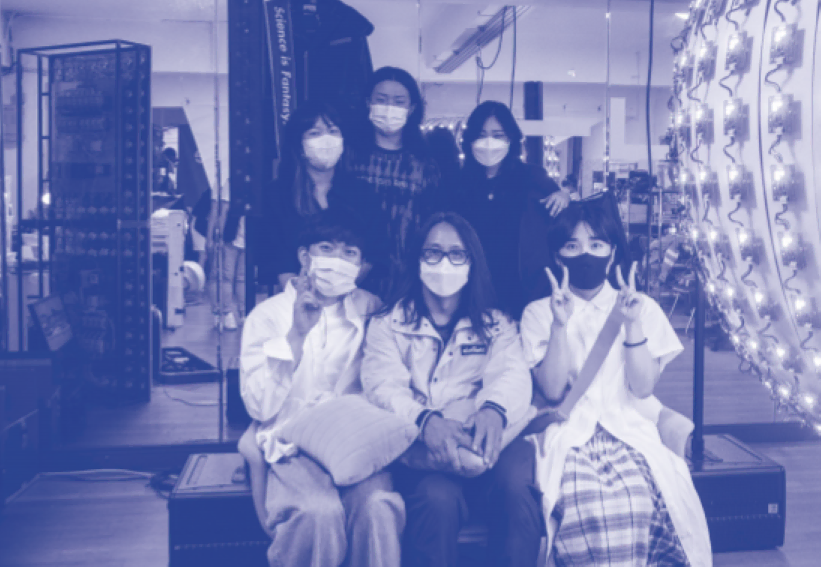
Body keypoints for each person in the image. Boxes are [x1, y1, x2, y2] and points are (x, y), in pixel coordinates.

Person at [519, 197, 711, 566]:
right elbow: (553, 390)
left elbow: (642, 388)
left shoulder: (642, 307)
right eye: (572, 246)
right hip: (568, 434)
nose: (585, 255)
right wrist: (559, 324)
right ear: (558, 257)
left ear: (610, 256)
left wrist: (632, 323)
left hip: (629, 430)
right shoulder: (538, 312)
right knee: (585, 505)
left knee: (638, 499)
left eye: (596, 245)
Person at [361, 212, 542, 567]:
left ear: (472, 263)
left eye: (457, 254)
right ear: (417, 260)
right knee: (436, 499)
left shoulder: (497, 324)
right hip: (424, 453)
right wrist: (425, 421)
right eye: (433, 252)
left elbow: (512, 373)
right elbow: (382, 387)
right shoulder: (387, 324)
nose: (444, 263)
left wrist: (494, 409)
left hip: (488, 445)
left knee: (517, 490)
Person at [239, 209, 404, 567]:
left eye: (350, 253)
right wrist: (296, 336)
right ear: (305, 256)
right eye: (327, 249)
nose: (338, 260)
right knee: (317, 513)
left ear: (361, 266)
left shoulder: (372, 309)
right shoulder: (267, 316)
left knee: (379, 508)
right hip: (292, 445)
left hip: (356, 444)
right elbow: (259, 406)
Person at [457, 100, 571, 319]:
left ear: (511, 139)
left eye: (498, 135)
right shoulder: (459, 183)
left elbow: (565, 222)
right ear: (470, 139)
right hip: (471, 289)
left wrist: (565, 196)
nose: (489, 142)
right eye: (481, 134)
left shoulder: (532, 177)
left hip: (523, 291)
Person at [263, 101, 383, 292]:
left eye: (333, 131)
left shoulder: (362, 192)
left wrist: (339, 291)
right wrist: (303, 296)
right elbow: (278, 259)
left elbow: (374, 251)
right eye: (315, 133)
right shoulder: (277, 194)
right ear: (299, 145)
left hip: (351, 293)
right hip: (296, 295)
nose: (326, 139)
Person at [346, 66, 441, 295]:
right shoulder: (348, 156)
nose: (389, 108)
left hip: (406, 277)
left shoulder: (425, 164)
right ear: (368, 103)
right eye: (381, 100)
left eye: (399, 102)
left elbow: (431, 222)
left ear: (411, 109)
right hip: (352, 272)